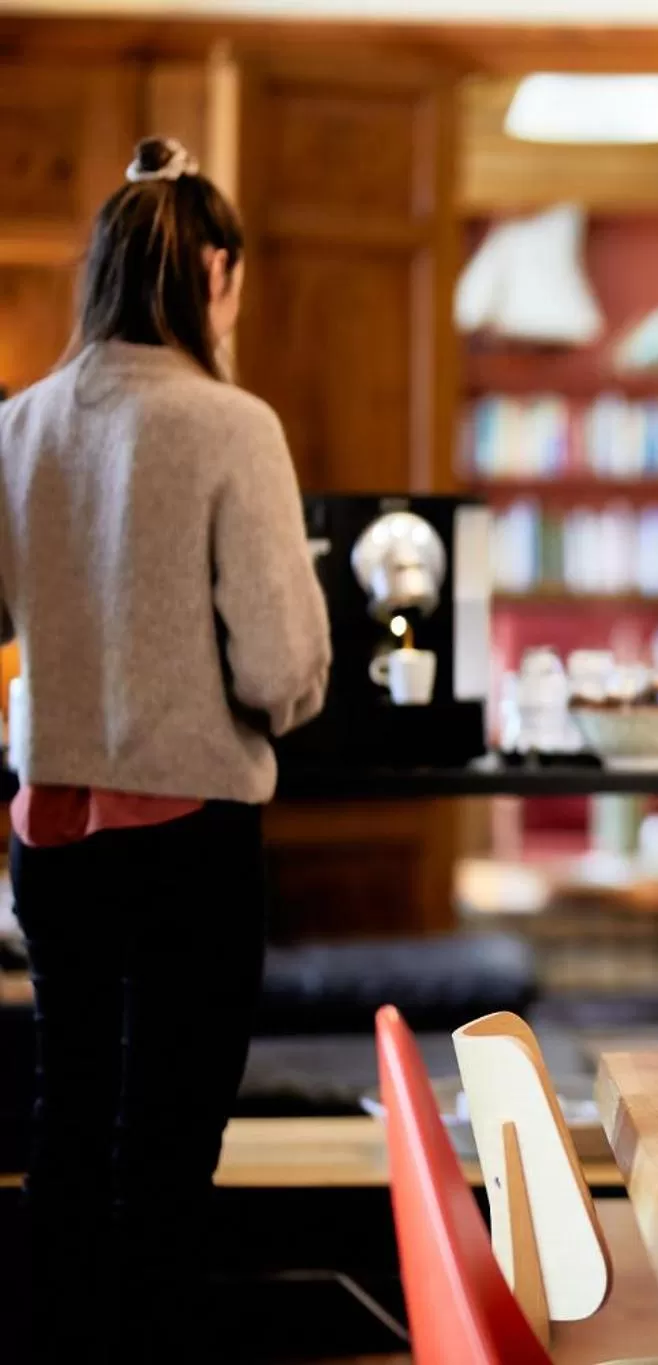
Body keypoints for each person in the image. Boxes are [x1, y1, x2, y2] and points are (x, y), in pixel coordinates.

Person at [0, 137, 330, 1360]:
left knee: (67, 1128)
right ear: (214, 269)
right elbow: (279, 671)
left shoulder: (19, 423)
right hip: (186, 828)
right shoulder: (229, 424)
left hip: (51, 829)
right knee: (171, 1149)